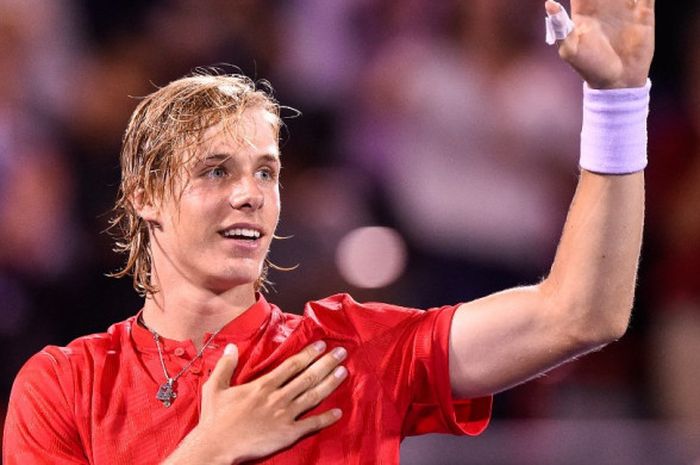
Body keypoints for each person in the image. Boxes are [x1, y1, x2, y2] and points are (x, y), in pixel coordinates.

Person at [3, 0, 655, 463]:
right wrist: (210, 448)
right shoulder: (64, 383)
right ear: (144, 194)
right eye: (216, 169)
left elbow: (579, 313)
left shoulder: (350, 353)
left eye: (267, 172)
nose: (249, 194)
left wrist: (619, 101)